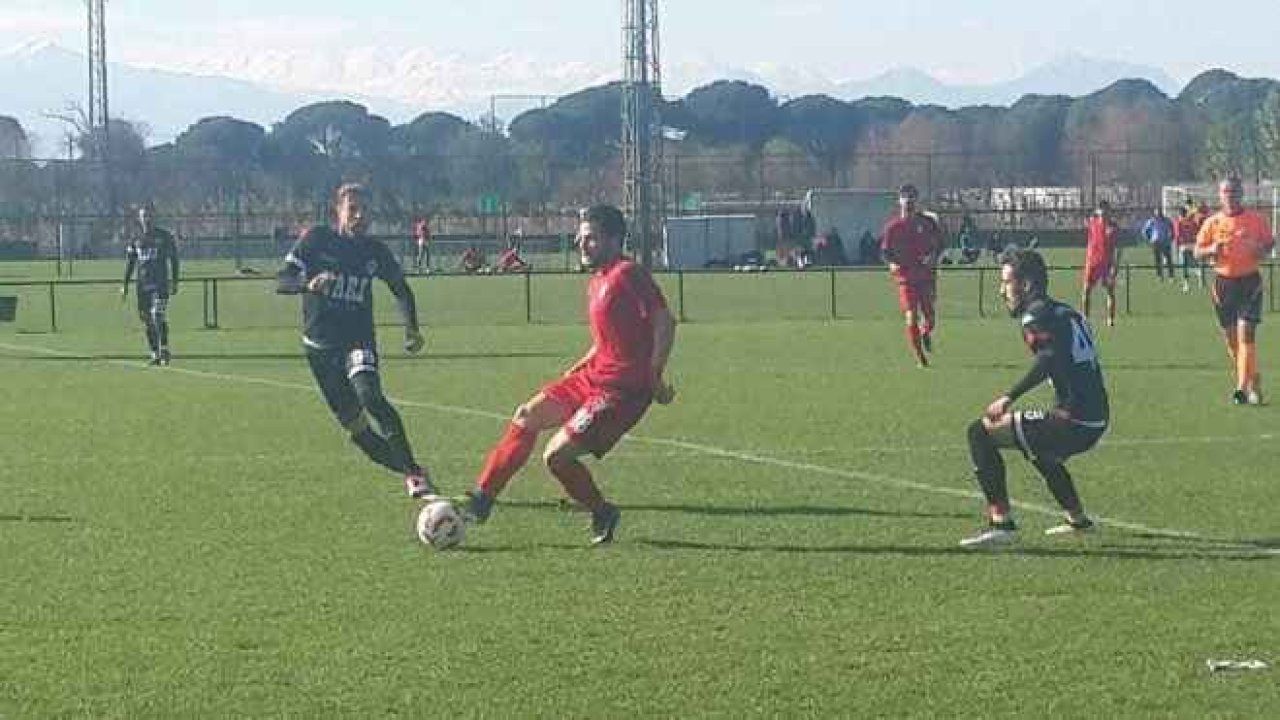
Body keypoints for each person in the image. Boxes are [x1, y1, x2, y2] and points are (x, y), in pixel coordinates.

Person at [457, 204, 677, 545]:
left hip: (620, 391)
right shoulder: (598, 280)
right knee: (526, 416)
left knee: (556, 458)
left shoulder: (628, 273)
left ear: (614, 239)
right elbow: (607, 340)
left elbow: (664, 321)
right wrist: (581, 364)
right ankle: (482, 499)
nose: (580, 243)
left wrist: (655, 373)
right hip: (592, 377)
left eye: (590, 238)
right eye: (580, 237)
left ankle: (602, 511)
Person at [275, 183, 436, 499]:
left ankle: (414, 477)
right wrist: (308, 284)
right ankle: (413, 470)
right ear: (338, 211)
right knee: (360, 433)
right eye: (353, 209)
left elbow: (400, 288)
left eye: (365, 210)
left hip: (357, 341)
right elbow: (283, 279)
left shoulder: (374, 250)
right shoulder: (316, 240)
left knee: (371, 397)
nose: (360, 216)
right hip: (319, 349)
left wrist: (412, 328)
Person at [960, 249, 1109, 547]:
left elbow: (1048, 359)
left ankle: (1002, 524)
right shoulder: (1065, 311)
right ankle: (1078, 520)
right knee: (1039, 448)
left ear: (1026, 284)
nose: (1002, 291)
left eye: (1006, 282)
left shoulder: (1034, 315)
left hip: (1074, 420)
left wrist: (1009, 396)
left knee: (979, 433)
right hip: (1095, 416)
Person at [1194, 177, 1275, 405]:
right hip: (1223, 285)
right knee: (1232, 341)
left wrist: (1258, 249)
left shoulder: (1256, 220)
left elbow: (1269, 244)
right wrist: (1212, 249)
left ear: (1241, 194)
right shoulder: (1212, 222)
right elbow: (1197, 251)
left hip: (1250, 282)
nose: (1230, 195)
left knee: (1246, 333)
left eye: (1234, 191)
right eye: (1226, 191)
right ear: (1220, 195)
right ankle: (1253, 378)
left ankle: (1241, 388)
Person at [881, 183, 943, 366]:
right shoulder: (893, 227)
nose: (909, 201)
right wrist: (892, 264)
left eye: (912, 197)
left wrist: (933, 257)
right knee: (911, 315)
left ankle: (925, 333)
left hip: (925, 277)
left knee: (930, 318)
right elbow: (885, 252)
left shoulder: (927, 223)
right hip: (905, 278)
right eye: (905, 197)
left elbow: (940, 244)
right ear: (899, 201)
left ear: (917, 200)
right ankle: (920, 357)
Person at [120, 202, 180, 366]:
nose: (147, 219)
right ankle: (154, 353)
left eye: (150, 216)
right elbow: (131, 263)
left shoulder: (165, 237)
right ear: (139, 218)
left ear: (155, 217)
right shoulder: (136, 239)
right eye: (144, 216)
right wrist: (125, 284)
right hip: (142, 285)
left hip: (160, 284)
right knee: (147, 319)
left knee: (157, 315)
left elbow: (174, 260)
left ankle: (164, 349)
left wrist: (175, 281)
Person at [1081, 200, 1121, 327]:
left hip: (1107, 264)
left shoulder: (1113, 227)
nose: (1103, 213)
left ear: (1109, 211)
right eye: (1101, 210)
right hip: (1092, 262)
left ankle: (1110, 319)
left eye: (1105, 210)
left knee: (1110, 291)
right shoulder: (1092, 222)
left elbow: (1118, 248)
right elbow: (1085, 218)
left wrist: (1115, 266)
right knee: (1086, 290)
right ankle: (1085, 318)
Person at [1140, 207, 1175, 282]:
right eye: (1157, 212)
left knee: (1169, 259)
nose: (1158, 214)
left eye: (1159, 212)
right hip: (1156, 242)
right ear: (1155, 213)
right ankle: (1159, 276)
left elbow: (1172, 228)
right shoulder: (1152, 221)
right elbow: (1144, 231)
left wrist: (1171, 237)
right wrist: (1149, 239)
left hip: (1165, 242)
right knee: (1158, 260)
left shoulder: (1166, 220)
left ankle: (1171, 276)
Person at [1173, 206, 1202, 292]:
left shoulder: (1179, 222)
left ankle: (1186, 285)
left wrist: (1176, 245)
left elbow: (1177, 235)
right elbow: (1197, 231)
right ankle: (1200, 280)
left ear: (1179, 214)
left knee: (1184, 266)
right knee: (1195, 264)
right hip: (1193, 245)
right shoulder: (1192, 222)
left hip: (1184, 246)